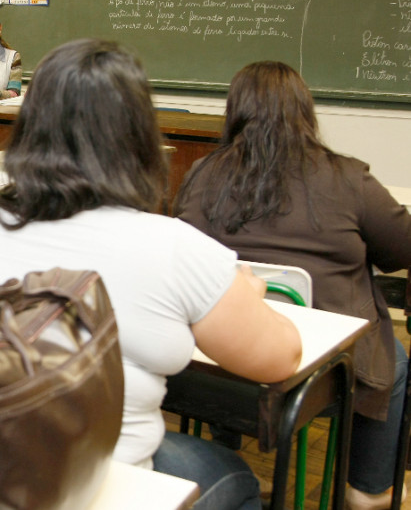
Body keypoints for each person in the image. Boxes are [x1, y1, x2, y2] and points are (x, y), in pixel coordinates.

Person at [0, 39, 302, 510]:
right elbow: (281, 359)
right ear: (137, 136)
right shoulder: (170, 244)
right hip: (96, 484)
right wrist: (245, 290)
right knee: (234, 475)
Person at [175, 61, 411, 510]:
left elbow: (182, 251)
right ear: (305, 110)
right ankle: (367, 486)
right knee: (395, 363)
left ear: (234, 112)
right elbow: (401, 250)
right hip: (328, 371)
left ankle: (227, 453)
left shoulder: (205, 174)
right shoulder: (347, 178)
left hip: (223, 364)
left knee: (217, 311)